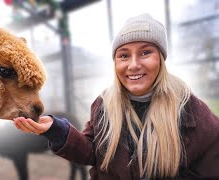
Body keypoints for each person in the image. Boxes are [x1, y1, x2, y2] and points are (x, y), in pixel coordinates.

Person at [13, 14, 219, 179]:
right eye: (123, 55)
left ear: (161, 59)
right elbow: (92, 152)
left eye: (146, 52)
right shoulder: (103, 105)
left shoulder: (191, 111)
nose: (133, 64)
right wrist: (57, 130)